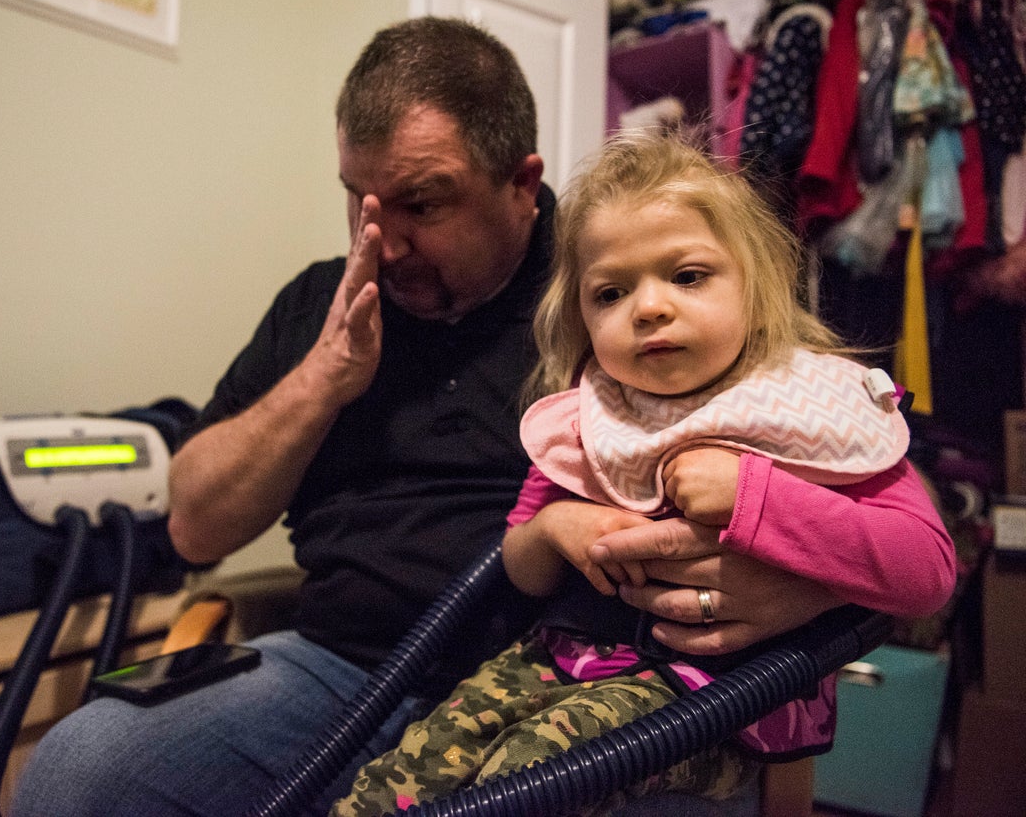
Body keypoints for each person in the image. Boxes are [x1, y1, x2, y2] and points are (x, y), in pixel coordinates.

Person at [11, 19, 881, 817]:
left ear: (521, 184)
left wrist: (797, 580)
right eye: (361, 199)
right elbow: (196, 527)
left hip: (577, 682)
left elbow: (845, 468)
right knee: (80, 773)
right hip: (337, 674)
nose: (382, 241)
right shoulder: (325, 301)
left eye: (422, 203)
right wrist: (324, 377)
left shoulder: (610, 286)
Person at [331, 131, 956, 816]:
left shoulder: (805, 411)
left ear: (759, 283)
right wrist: (554, 527)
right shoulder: (591, 418)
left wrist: (755, 495)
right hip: (558, 662)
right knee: (387, 786)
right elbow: (520, 563)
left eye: (687, 276)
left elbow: (926, 571)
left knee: (526, 780)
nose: (649, 307)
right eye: (611, 292)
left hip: (715, 697)